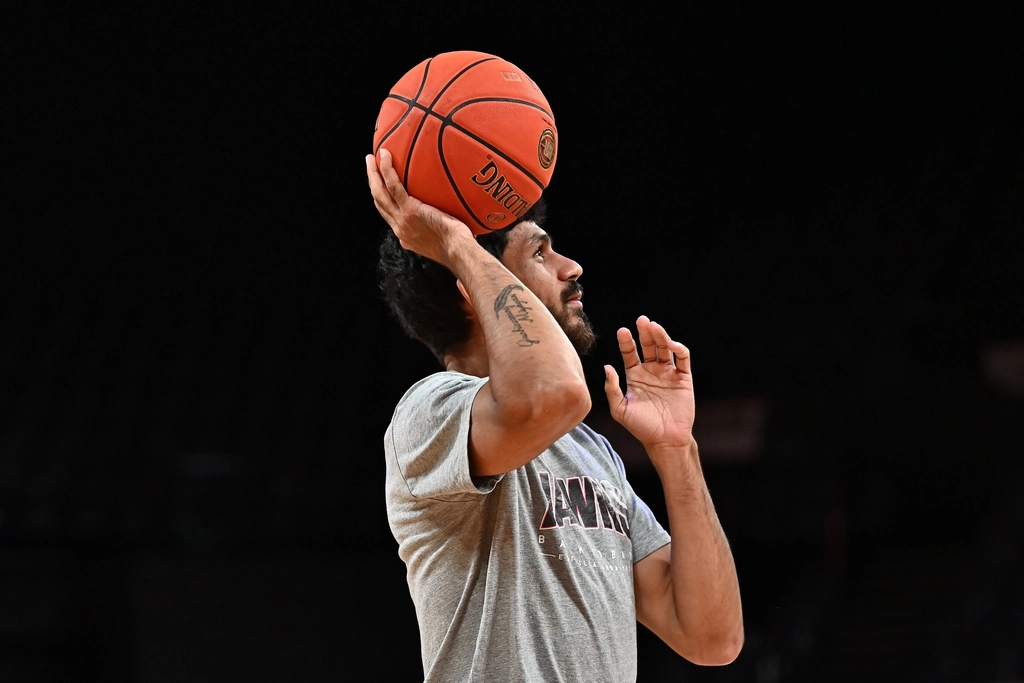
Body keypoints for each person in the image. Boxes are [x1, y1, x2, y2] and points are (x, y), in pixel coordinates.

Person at [366, 147, 743, 682]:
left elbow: (713, 638)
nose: (572, 267)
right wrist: (455, 243)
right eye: (540, 254)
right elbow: (555, 395)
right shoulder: (428, 415)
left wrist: (677, 449)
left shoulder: (593, 454)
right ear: (475, 290)